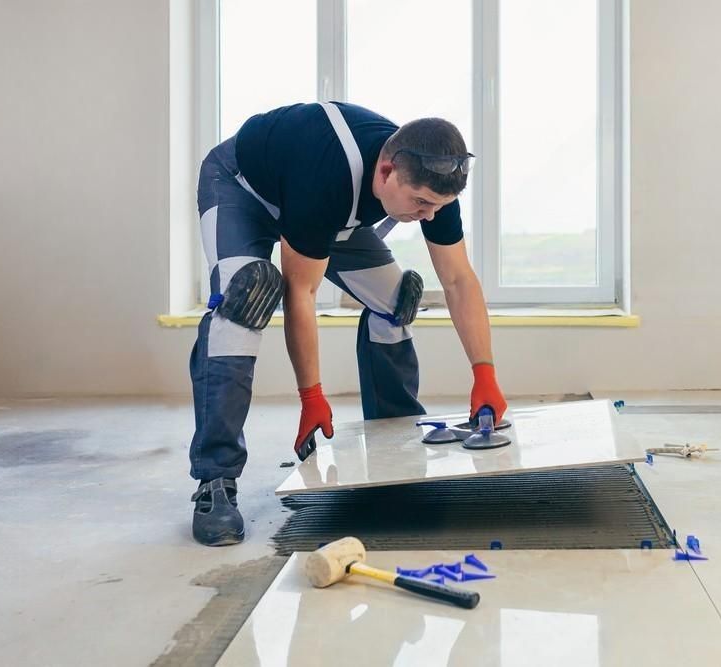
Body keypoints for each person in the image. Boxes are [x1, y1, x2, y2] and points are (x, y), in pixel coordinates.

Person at [188, 101, 508, 546]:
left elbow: (458, 279)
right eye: (420, 203)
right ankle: (215, 481)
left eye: (438, 206)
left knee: (397, 300)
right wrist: (311, 398)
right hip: (243, 189)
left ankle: (394, 442)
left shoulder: (431, 179)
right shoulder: (325, 175)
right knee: (244, 301)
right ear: (385, 172)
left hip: (322, 209)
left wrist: (484, 372)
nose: (428, 215)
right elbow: (301, 293)